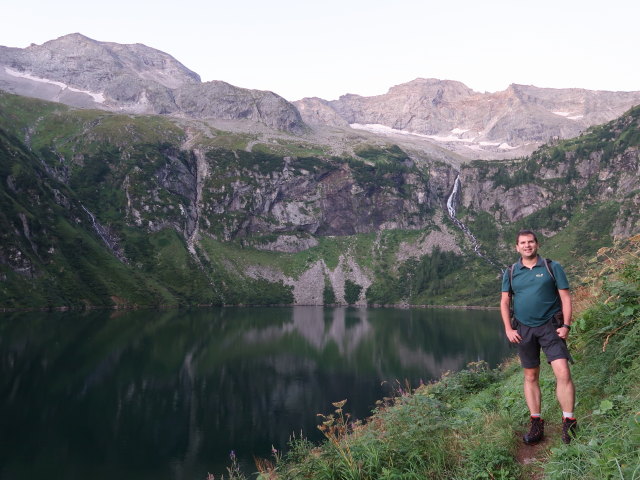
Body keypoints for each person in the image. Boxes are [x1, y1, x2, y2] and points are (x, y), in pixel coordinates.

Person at [500, 230, 577, 445]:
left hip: (551, 327)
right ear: (517, 247)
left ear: (537, 244)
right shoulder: (512, 271)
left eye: (531, 242)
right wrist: (508, 329)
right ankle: (536, 422)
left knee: (563, 372)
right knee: (531, 376)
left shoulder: (553, 267)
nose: (527, 245)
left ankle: (569, 421)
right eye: (523, 243)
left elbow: (565, 297)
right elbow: (505, 302)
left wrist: (566, 325)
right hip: (523, 329)